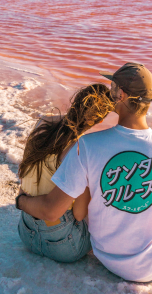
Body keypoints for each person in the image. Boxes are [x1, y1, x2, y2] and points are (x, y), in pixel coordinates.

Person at [17, 63, 152, 283]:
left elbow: (62, 209)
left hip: (106, 258)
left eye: (113, 87)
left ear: (119, 95)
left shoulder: (88, 145)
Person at [16, 83, 114, 263]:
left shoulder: (43, 122)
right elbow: (78, 214)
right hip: (64, 246)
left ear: (75, 102)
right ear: (100, 120)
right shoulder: (78, 149)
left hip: (26, 232)